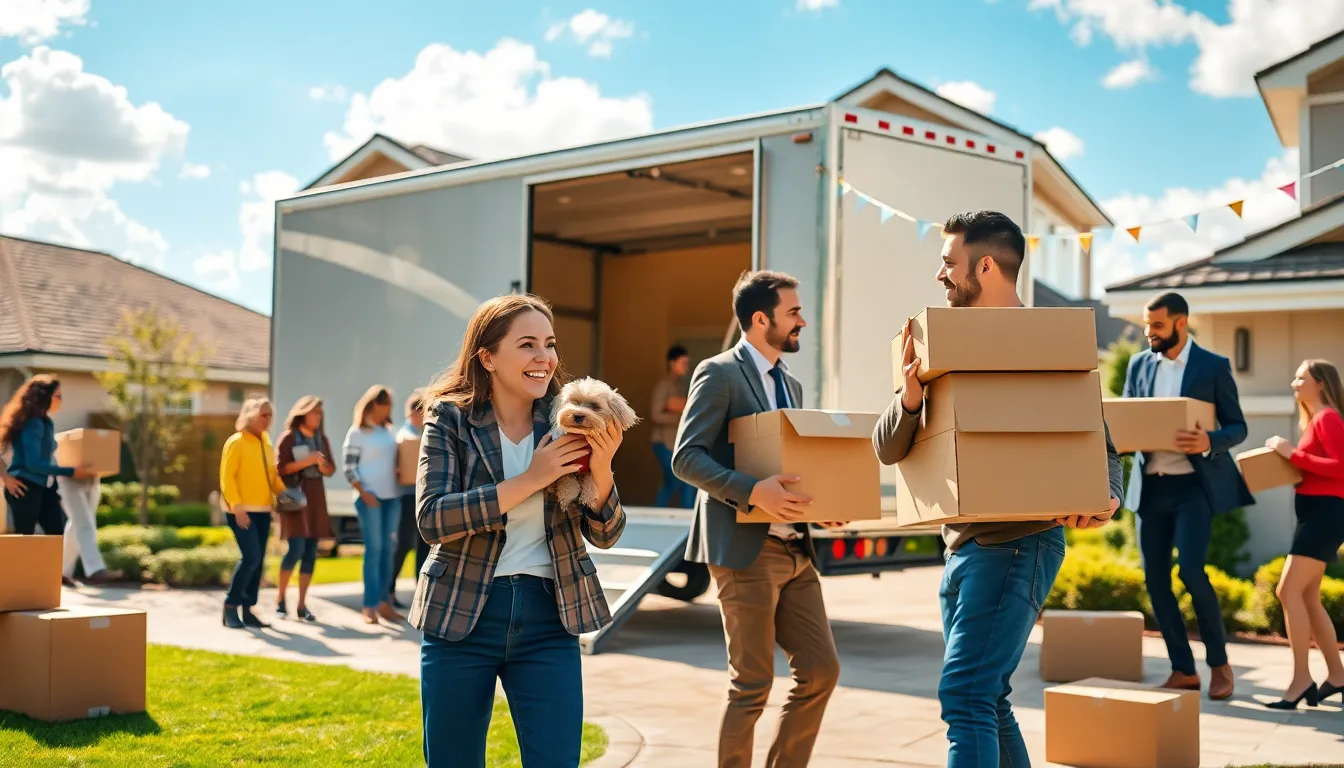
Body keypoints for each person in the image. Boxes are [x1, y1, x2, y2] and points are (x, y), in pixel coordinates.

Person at [872, 211, 1124, 768]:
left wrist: (1107, 496)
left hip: (1018, 544)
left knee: (965, 695)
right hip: (961, 549)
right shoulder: (935, 349)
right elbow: (886, 449)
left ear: (985, 265)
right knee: (988, 697)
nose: (939, 274)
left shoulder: (1046, 343)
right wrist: (909, 398)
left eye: (948, 262)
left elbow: (1101, 445)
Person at [411, 293, 627, 768]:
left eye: (549, 345)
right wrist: (532, 478)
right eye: (527, 345)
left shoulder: (567, 417)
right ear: (487, 357)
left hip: (550, 617)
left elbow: (606, 535)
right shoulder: (450, 418)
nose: (544, 358)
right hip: (463, 614)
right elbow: (433, 519)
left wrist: (604, 469)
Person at [673, 270, 843, 768]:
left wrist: (824, 503)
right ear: (760, 319)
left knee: (821, 671)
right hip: (745, 550)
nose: (802, 322)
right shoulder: (719, 372)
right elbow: (687, 458)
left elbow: (791, 465)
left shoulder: (790, 383)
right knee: (752, 684)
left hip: (796, 550)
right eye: (793, 313)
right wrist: (752, 492)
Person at [1121, 291, 1253, 701]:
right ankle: (1183, 669)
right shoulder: (1139, 364)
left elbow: (1238, 427)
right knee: (1155, 581)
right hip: (1151, 487)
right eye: (1146, 325)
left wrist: (1208, 440)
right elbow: (1127, 414)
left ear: (1181, 323)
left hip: (1193, 488)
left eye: (1156, 325)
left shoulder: (1213, 367)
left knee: (1191, 572)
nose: (1149, 333)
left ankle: (1219, 664)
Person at [1262, 359, 1344, 709]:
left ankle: (1300, 680)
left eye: (1301, 378)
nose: (1294, 383)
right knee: (1307, 598)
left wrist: (1290, 453)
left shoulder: (1328, 417)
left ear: (1321, 384)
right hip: (1316, 513)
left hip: (1327, 515)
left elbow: (1342, 466)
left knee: (1287, 590)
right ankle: (1338, 677)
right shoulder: (1314, 421)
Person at [1, 375, 95, 586]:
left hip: (43, 486)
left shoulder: (46, 422)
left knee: (55, 531)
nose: (61, 400)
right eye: (58, 396)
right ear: (45, 398)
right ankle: (18, 584)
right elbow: (34, 463)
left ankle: (51, 577)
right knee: (25, 538)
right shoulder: (32, 424)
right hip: (24, 486)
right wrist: (6, 479)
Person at [219, 397, 288, 630]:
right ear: (249, 415)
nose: (268, 420)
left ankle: (248, 610)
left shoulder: (266, 444)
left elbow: (272, 476)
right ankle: (230, 606)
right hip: (240, 511)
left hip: (262, 511)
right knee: (251, 557)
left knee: (259, 562)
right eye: (263, 415)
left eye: (270, 415)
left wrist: (284, 493)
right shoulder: (236, 442)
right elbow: (227, 477)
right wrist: (237, 507)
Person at [344, 385, 403, 625]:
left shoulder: (389, 431)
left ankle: (384, 603)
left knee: (389, 550)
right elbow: (349, 468)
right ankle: (369, 605)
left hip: (392, 497)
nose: (388, 408)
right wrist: (363, 491)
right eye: (385, 403)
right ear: (374, 404)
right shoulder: (358, 432)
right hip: (370, 499)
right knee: (375, 549)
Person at [275, 396, 336, 622]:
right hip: (296, 500)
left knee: (311, 552)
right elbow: (281, 469)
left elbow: (330, 470)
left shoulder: (322, 439)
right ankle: (280, 599)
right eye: (314, 413)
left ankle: (301, 605)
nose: (318, 417)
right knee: (295, 550)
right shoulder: (289, 438)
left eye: (320, 413)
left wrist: (321, 464)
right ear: (302, 413)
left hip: (316, 499)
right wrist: (307, 461)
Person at [389, 388, 429, 608]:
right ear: (414, 413)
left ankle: (420, 592)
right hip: (406, 497)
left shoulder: (426, 434)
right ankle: (389, 590)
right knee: (403, 544)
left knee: (424, 545)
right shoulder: (403, 436)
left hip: (422, 496)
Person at [651, 345, 694, 509]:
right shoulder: (663, 386)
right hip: (663, 442)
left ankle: (687, 515)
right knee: (676, 479)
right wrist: (679, 417)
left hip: (677, 442)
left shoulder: (682, 386)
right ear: (672, 363)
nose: (686, 366)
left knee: (685, 480)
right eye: (683, 363)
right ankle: (658, 512)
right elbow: (655, 415)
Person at [60, 473, 122, 585]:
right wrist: (70, 470)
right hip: (69, 481)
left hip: (92, 479)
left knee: (77, 525)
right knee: (84, 525)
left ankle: (62, 572)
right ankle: (95, 569)